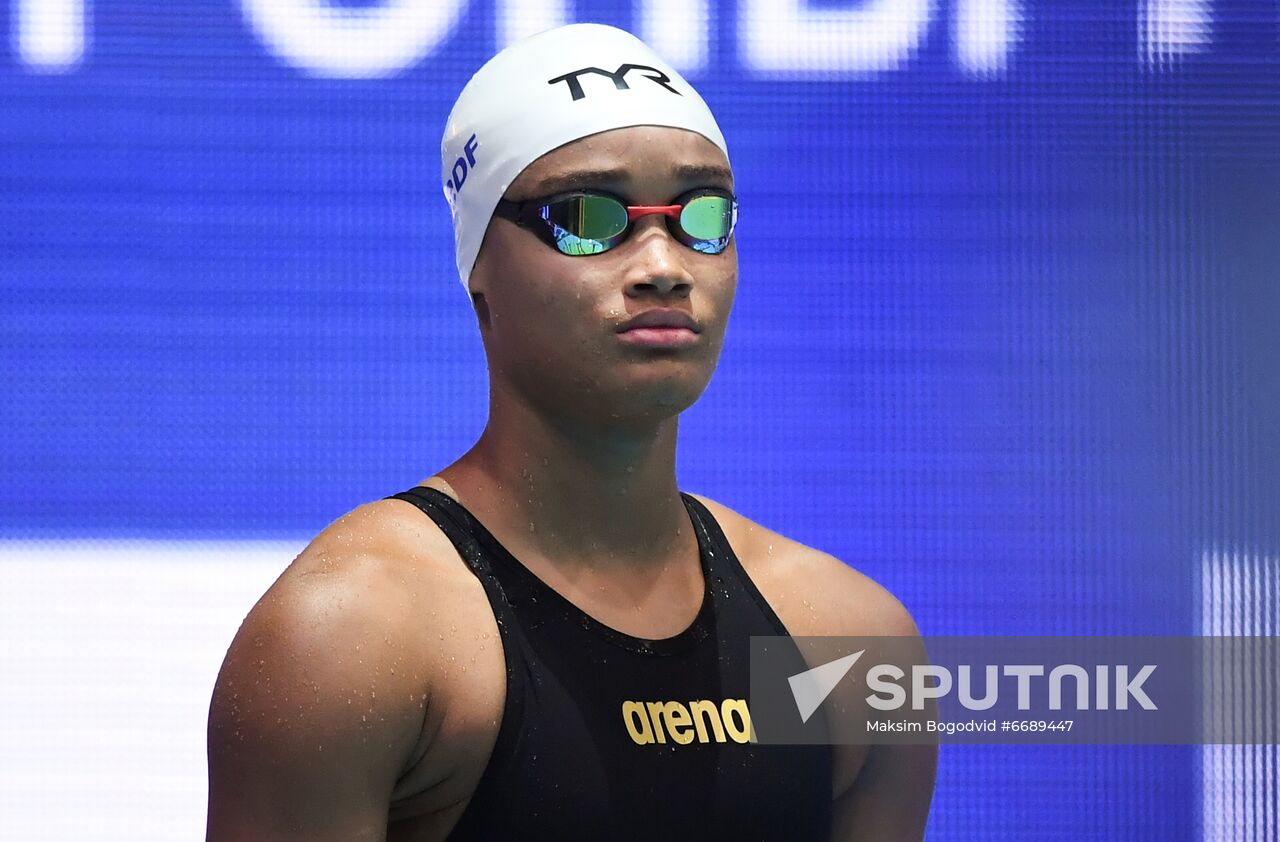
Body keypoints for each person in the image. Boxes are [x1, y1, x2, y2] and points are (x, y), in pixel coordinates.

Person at [206, 22, 936, 841]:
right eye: (589, 216)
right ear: (479, 262)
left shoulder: (849, 640)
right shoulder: (355, 636)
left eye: (703, 215)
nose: (664, 264)